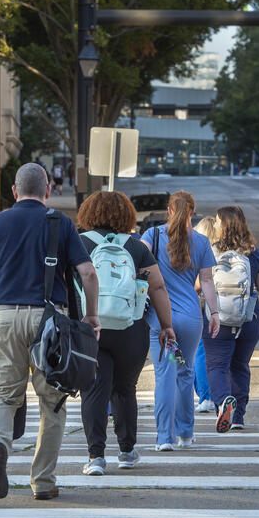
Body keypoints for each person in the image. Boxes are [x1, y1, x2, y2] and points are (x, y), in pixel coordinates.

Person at [0, 162, 100, 500]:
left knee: (4, 395)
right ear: (48, 190)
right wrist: (92, 318)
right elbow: (88, 273)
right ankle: (43, 481)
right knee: (52, 402)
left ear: (14, 191)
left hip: (3, 317)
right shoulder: (60, 224)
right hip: (49, 322)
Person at [76, 191, 174, 475]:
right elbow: (157, 287)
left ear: (88, 214)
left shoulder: (80, 243)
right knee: (124, 389)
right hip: (131, 327)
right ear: (126, 215)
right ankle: (127, 451)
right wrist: (167, 325)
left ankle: (95, 457)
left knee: (94, 390)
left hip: (90, 326)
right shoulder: (136, 247)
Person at [141, 191, 220, 451]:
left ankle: (165, 437)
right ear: (192, 211)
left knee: (165, 375)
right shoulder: (201, 240)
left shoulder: (152, 236)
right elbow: (207, 281)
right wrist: (215, 313)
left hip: (163, 321)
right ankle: (186, 433)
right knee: (185, 374)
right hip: (190, 319)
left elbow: (137, 263)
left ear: (169, 210)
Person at [203, 206, 259, 432]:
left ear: (224, 225)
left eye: (218, 221)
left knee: (217, 365)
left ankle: (223, 401)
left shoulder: (211, 251)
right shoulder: (255, 252)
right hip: (249, 317)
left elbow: (201, 284)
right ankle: (238, 416)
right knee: (240, 365)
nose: (216, 224)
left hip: (217, 316)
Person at [192, 217, 217, 413]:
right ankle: (216, 394)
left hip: (199, 307)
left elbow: (201, 282)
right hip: (220, 307)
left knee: (199, 352)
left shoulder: (197, 250)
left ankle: (205, 396)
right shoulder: (220, 250)